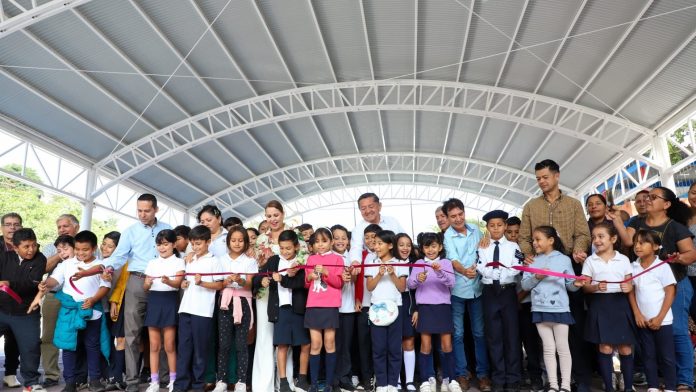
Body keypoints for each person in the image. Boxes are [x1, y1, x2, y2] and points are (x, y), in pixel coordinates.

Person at [518, 159, 592, 392]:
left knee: (575, 328)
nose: (541, 181)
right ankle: (549, 380)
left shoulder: (573, 204)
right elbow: (523, 237)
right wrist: (530, 256)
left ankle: (579, 380)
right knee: (543, 337)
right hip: (539, 271)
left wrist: (578, 251)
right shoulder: (531, 206)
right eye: (538, 178)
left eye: (545, 177)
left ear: (557, 176)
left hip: (568, 267)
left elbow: (583, 233)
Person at [617, 187, 696, 392]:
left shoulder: (676, 226)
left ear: (667, 204)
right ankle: (661, 381)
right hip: (646, 288)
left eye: (653, 197)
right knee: (651, 338)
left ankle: (684, 381)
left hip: (675, 284)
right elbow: (627, 241)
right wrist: (616, 219)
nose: (647, 201)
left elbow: (691, 254)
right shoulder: (636, 222)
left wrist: (679, 258)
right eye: (644, 198)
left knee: (678, 332)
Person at [103, 193, 172, 392]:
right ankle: (132, 382)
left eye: (147, 210)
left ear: (156, 210)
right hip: (136, 282)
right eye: (139, 210)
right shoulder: (130, 231)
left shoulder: (167, 229)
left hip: (162, 284)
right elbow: (118, 257)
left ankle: (164, 379)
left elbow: (175, 253)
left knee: (164, 330)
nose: (142, 214)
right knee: (132, 334)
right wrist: (107, 268)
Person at [38, 231, 110, 392]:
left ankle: (95, 380)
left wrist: (92, 300)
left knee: (92, 346)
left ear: (93, 248)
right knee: (69, 346)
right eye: (77, 249)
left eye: (85, 249)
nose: (80, 253)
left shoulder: (101, 265)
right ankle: (70, 382)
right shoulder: (66, 264)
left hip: (92, 312)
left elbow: (105, 287)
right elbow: (55, 280)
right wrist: (46, 284)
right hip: (69, 312)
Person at [253, 200, 308, 392]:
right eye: (268, 216)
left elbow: (304, 258)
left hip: (290, 292)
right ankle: (264, 382)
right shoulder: (261, 239)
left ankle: (285, 381)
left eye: (275, 215)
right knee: (265, 337)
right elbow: (258, 267)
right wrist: (263, 278)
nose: (272, 219)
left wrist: (294, 270)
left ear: (283, 214)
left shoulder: (296, 234)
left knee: (287, 340)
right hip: (266, 293)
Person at [576, 222, 635, 392]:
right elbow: (585, 286)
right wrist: (595, 287)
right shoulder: (590, 260)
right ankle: (608, 387)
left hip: (621, 304)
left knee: (625, 346)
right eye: (594, 237)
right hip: (600, 305)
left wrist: (629, 287)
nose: (596, 240)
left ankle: (628, 387)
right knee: (605, 346)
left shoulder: (623, 259)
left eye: (601, 236)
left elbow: (630, 283)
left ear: (613, 239)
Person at [521, 226, 580, 392]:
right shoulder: (531, 261)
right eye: (533, 240)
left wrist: (577, 284)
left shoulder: (564, 260)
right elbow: (525, 285)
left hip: (560, 309)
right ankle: (553, 385)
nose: (534, 243)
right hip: (539, 309)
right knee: (547, 348)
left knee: (563, 347)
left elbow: (570, 286)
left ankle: (566, 386)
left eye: (538, 239)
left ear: (551, 240)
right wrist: (536, 276)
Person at [442, 198, 490, 391]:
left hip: (477, 289)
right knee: (458, 335)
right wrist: (464, 271)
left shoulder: (476, 230)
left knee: (479, 333)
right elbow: (453, 260)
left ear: (464, 212)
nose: (458, 218)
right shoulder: (447, 236)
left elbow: (483, 252)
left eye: (460, 214)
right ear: (447, 217)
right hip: (457, 290)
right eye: (453, 216)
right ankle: (462, 374)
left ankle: (483, 375)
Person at [172, 225, 224, 392]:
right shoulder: (190, 260)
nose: (195, 247)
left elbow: (219, 284)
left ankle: (198, 385)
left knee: (200, 350)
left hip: (203, 312)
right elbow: (185, 282)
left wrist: (202, 282)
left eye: (199, 244)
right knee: (184, 348)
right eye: (193, 244)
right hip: (185, 308)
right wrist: (184, 283)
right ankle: (181, 384)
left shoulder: (215, 261)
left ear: (208, 242)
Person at [477, 210, 522, 392]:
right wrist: (489, 272)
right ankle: (498, 378)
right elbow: (479, 265)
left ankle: (513, 378)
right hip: (489, 293)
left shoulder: (513, 247)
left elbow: (518, 266)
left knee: (511, 336)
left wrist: (503, 272)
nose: (496, 229)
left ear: (505, 226)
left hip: (507, 292)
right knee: (493, 336)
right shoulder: (483, 246)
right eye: (491, 226)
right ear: (487, 228)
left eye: (499, 225)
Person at [407, 232, 458, 392]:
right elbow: (410, 284)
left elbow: (451, 283)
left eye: (434, 246)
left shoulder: (446, 263)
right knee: (425, 345)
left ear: (440, 247)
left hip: (443, 307)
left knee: (447, 345)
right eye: (427, 246)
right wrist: (417, 279)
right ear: (422, 248)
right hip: (425, 308)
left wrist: (439, 272)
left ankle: (451, 379)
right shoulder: (419, 263)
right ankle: (425, 379)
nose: (430, 249)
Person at [627, 230, 676, 392]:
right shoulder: (633, 266)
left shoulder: (663, 266)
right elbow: (631, 292)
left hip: (663, 321)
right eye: (636, 242)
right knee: (648, 355)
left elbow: (670, 292)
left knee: (667, 356)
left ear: (655, 246)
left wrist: (660, 317)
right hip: (643, 320)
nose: (637, 246)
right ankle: (653, 386)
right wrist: (637, 314)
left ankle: (670, 387)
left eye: (642, 242)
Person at [0, 228, 46, 392]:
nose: (31, 250)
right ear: (14, 247)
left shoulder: (40, 259)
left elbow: (30, 284)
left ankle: (32, 383)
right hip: (2, 310)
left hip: (27, 313)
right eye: (26, 246)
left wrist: (9, 284)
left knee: (31, 347)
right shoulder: (4, 257)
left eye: (34, 245)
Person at [213, 226, 258, 392]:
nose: (237, 243)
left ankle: (241, 381)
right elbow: (218, 283)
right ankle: (222, 380)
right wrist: (225, 282)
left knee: (241, 344)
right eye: (233, 240)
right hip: (225, 303)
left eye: (241, 240)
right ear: (228, 242)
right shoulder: (221, 260)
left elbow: (250, 284)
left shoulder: (250, 261)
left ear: (246, 242)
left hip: (243, 303)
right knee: (224, 344)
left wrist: (240, 281)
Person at [40, 214, 81, 388]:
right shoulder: (51, 247)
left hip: (78, 298)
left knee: (79, 335)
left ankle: (79, 375)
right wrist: (60, 253)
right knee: (49, 336)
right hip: (53, 296)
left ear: (76, 228)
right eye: (59, 227)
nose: (62, 229)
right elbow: (42, 268)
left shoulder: (85, 244)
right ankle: (51, 374)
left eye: (66, 226)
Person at [365, 230, 408, 392]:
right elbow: (369, 287)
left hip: (395, 308)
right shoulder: (371, 263)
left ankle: (392, 384)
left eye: (379, 243)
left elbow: (402, 287)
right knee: (379, 348)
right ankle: (382, 384)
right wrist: (378, 274)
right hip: (376, 310)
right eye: (375, 243)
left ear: (390, 245)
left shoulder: (401, 263)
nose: (376, 246)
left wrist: (392, 274)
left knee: (395, 348)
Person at [143, 230, 185, 392]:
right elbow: (146, 288)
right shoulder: (152, 263)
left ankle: (173, 380)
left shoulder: (179, 263)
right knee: (154, 345)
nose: (162, 247)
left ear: (174, 245)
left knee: (169, 345)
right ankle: (154, 381)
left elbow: (178, 284)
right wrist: (147, 283)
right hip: (154, 301)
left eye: (166, 244)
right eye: (159, 244)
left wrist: (168, 281)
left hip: (169, 302)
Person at [303, 228, 344, 392]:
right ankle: (313, 384)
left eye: (324, 241)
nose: (320, 245)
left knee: (329, 343)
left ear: (331, 242)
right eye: (317, 242)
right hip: (313, 304)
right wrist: (310, 277)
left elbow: (339, 283)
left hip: (330, 305)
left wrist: (326, 272)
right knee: (315, 344)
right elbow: (306, 283)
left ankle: (328, 384)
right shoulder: (310, 258)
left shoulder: (338, 259)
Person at [353, 223, 382, 391]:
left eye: (374, 237)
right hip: (364, 305)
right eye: (367, 238)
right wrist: (357, 298)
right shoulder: (361, 256)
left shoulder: (386, 256)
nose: (370, 240)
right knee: (363, 344)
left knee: (378, 344)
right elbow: (358, 280)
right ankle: (367, 378)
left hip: (381, 306)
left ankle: (380, 376)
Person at [332, 224, 358, 392]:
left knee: (346, 345)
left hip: (348, 308)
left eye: (344, 238)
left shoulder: (353, 258)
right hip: (333, 308)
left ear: (348, 241)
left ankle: (345, 377)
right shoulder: (329, 258)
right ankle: (333, 378)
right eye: (336, 238)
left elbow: (356, 283)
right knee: (334, 345)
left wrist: (353, 275)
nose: (340, 241)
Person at [1, 212, 22, 389]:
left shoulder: (27, 246)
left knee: (13, 340)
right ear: (2, 227)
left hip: (17, 301)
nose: (12, 227)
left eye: (16, 224)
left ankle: (10, 374)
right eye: (8, 224)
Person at [395, 233, 418, 392]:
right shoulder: (390, 262)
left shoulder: (415, 264)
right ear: (395, 246)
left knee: (408, 341)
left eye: (408, 244)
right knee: (394, 343)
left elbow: (419, 290)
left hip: (409, 304)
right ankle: (395, 380)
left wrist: (417, 308)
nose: (405, 248)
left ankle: (409, 381)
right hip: (393, 304)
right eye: (401, 244)